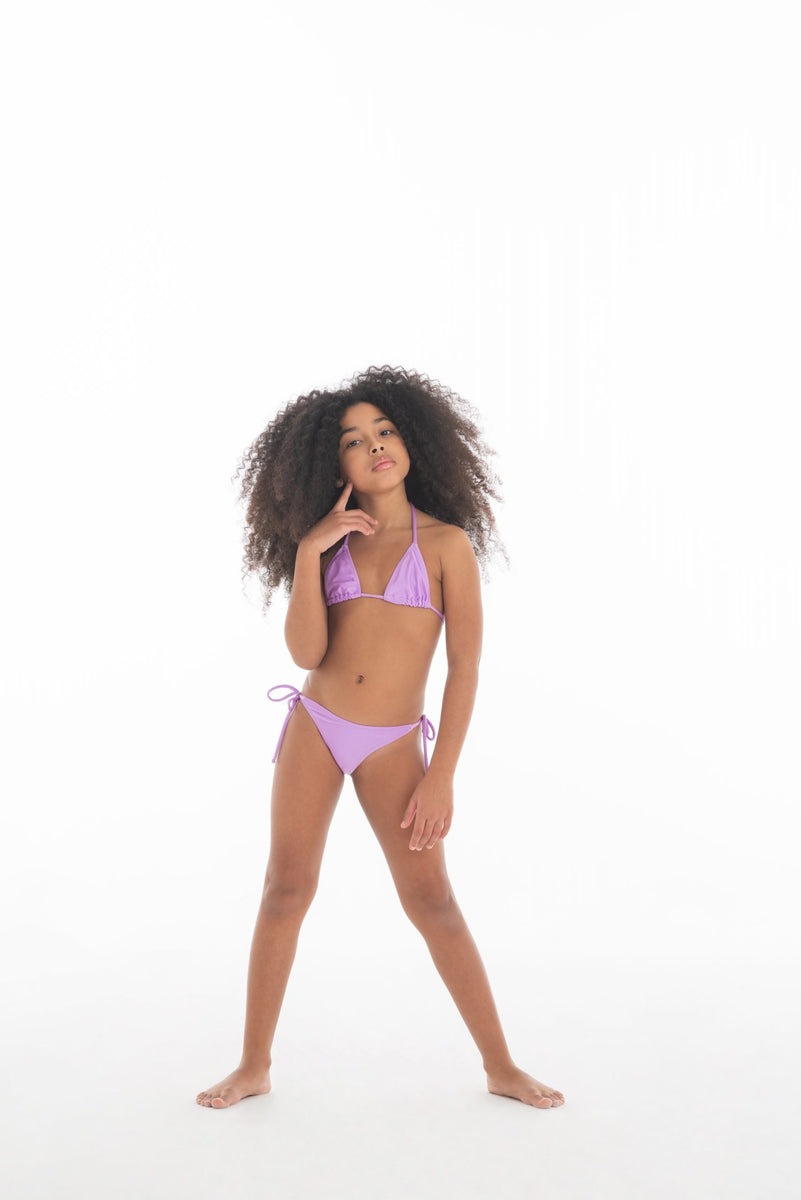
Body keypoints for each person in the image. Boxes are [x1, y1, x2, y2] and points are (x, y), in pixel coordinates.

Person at [196, 365, 565, 1110]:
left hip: (394, 744)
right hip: (316, 726)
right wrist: (309, 552)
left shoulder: (447, 545)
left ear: (412, 440)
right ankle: (253, 1064)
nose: (374, 447)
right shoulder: (328, 546)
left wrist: (442, 774)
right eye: (353, 441)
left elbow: (464, 667)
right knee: (285, 889)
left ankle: (500, 1065)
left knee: (432, 902)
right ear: (331, 465)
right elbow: (306, 653)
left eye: (385, 431)